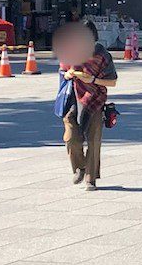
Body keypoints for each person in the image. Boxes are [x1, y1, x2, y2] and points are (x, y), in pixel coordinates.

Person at [54, 20, 117, 191]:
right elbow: (62, 71)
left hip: (94, 101)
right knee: (71, 138)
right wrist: (68, 74)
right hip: (71, 101)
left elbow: (112, 81)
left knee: (94, 141)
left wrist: (93, 80)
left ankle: (91, 178)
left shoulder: (102, 55)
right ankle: (79, 167)